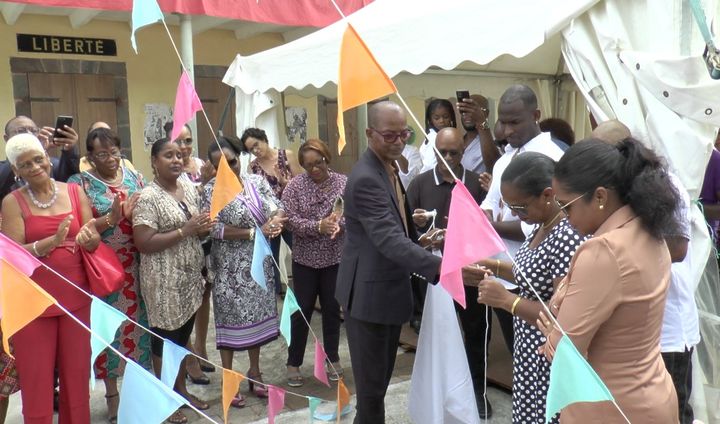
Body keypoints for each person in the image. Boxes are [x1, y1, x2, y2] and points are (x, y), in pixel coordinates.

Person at [335, 101, 486, 424]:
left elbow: (393, 233)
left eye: (404, 134)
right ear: (369, 133)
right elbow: (388, 240)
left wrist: (419, 240)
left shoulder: (389, 168)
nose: (399, 141)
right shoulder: (366, 177)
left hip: (385, 293)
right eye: (390, 136)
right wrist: (447, 271)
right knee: (372, 395)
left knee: (378, 386)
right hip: (369, 298)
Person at [537, 138, 680, 423]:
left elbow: (565, 354)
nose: (565, 219)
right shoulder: (648, 228)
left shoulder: (603, 251)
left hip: (610, 406)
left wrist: (553, 335)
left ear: (600, 197)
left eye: (567, 208)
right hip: (653, 394)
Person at [592, 119, 697, 424]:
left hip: (668, 332)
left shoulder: (666, 185)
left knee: (672, 412)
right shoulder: (614, 192)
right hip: (633, 331)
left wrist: (622, 252)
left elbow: (678, 250)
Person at [476, 152, 585, 423]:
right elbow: (532, 275)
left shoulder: (567, 235)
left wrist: (506, 301)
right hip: (529, 350)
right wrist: (491, 265)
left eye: (520, 207)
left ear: (548, 195)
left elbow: (566, 314)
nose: (514, 214)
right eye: (509, 206)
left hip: (548, 355)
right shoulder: (541, 225)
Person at [1, 133, 100, 423]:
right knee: (37, 381)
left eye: (38, 159)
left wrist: (91, 236)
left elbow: (90, 236)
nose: (35, 167)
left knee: (76, 377)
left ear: (48, 158)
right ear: (16, 171)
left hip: (76, 297)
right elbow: (11, 254)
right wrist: (51, 242)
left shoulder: (73, 192)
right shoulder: (12, 202)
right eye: (25, 164)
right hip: (32, 304)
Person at [67, 127, 151, 423]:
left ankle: (138, 394)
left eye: (114, 152)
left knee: (139, 330)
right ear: (90, 157)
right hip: (104, 271)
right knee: (109, 331)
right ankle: (112, 394)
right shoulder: (79, 184)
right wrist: (112, 218)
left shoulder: (135, 177)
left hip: (137, 267)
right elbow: (80, 229)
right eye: (102, 154)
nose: (111, 158)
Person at [407, 127, 492, 418]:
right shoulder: (419, 183)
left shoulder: (475, 183)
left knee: (475, 330)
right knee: (437, 330)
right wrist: (423, 231)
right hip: (433, 269)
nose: (446, 158)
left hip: (467, 266)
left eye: (453, 153)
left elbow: (485, 227)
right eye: (441, 152)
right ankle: (439, 390)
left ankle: (478, 393)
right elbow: (406, 236)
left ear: (463, 153)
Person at [480, 84, 565, 355]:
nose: (507, 131)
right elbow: (490, 204)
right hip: (508, 269)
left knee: (540, 350)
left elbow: (532, 224)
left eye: (514, 122)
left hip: (536, 280)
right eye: (503, 123)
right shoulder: (503, 160)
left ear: (536, 115)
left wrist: (491, 227)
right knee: (518, 351)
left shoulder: (553, 156)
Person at [132, 138, 211, 424]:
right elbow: (143, 241)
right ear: (154, 161)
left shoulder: (188, 187)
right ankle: (165, 402)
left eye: (179, 155)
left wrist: (202, 228)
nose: (176, 160)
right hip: (163, 281)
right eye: (169, 156)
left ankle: (180, 392)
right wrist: (185, 230)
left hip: (189, 278)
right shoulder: (148, 197)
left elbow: (194, 226)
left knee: (180, 339)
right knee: (164, 342)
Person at [203, 137, 285, 406]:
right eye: (220, 166)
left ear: (241, 157)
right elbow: (212, 229)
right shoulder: (211, 190)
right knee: (230, 325)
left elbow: (276, 207)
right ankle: (230, 380)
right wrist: (254, 232)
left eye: (232, 162)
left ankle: (255, 372)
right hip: (229, 269)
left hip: (259, 264)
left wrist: (274, 222)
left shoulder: (257, 182)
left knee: (256, 322)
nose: (228, 169)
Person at [281, 139, 346, 388]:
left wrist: (338, 225)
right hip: (305, 260)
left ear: (326, 158)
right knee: (302, 311)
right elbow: (290, 220)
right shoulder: (295, 187)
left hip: (334, 258)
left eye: (318, 163)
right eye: (308, 166)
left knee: (331, 309)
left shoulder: (343, 183)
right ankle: (293, 362)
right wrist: (317, 226)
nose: (314, 169)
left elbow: (351, 215)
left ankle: (332, 358)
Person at [165, 121, 215, 381]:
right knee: (186, 300)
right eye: (178, 141)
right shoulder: (169, 169)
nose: (183, 147)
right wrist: (203, 185)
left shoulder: (201, 164)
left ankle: (201, 347)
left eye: (188, 141)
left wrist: (208, 182)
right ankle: (189, 358)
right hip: (182, 245)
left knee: (203, 297)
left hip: (204, 243)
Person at [240, 127, 301, 295]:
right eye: (251, 149)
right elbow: (254, 196)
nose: (256, 150)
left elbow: (301, 183)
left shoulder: (286, 155)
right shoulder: (252, 167)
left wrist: (286, 184)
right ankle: (274, 292)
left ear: (264, 139)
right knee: (269, 255)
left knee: (299, 250)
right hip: (269, 219)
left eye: (256, 145)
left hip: (291, 214)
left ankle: (303, 285)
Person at [0, 115, 80, 201]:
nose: (29, 134)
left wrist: (69, 150)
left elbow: (71, 180)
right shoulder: (4, 168)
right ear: (6, 138)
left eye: (33, 131)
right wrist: (28, 152)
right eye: (21, 131)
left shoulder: (51, 164)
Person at [457, 94, 501, 174]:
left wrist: (481, 122)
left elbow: (494, 165)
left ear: (486, 113)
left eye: (474, 111)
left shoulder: (492, 141)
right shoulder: (458, 140)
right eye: (465, 111)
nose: (468, 115)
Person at [419, 98, 457, 172]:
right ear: (430, 120)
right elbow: (429, 165)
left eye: (446, 117)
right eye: (436, 118)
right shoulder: (434, 138)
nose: (441, 121)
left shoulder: (449, 136)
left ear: (451, 117)